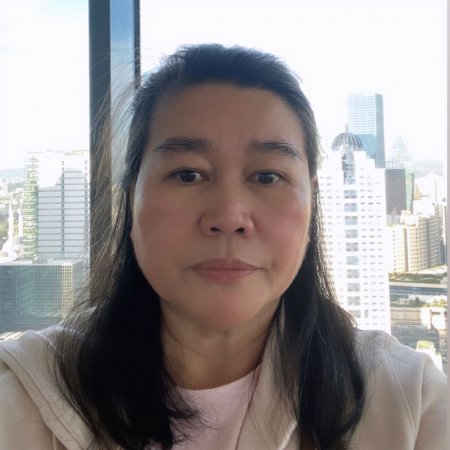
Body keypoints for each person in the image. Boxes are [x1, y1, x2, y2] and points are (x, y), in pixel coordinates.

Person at [0, 44, 446, 450]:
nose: (229, 216)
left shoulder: (412, 404)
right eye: (188, 174)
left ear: (312, 206)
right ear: (132, 199)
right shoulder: (23, 395)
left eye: (268, 176)